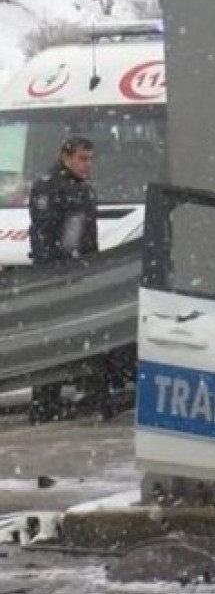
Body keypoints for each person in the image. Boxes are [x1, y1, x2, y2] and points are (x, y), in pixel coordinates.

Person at [27, 136, 104, 423]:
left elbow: (86, 236)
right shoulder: (50, 187)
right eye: (82, 158)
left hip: (81, 274)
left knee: (81, 336)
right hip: (59, 277)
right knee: (54, 341)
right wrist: (57, 275)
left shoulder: (82, 188)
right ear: (66, 157)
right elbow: (45, 236)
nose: (87, 165)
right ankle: (45, 402)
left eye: (90, 159)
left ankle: (88, 392)